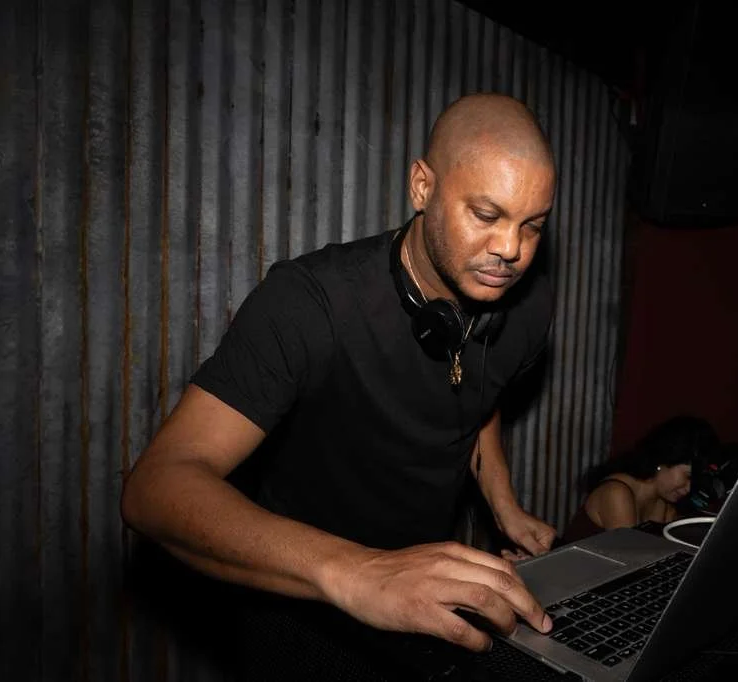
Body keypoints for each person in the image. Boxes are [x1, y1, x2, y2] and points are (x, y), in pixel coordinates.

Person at [120, 93, 560, 679]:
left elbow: (483, 393)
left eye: (532, 226)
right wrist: (359, 571)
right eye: (486, 216)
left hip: (428, 590)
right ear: (422, 187)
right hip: (304, 602)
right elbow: (155, 489)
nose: (510, 249)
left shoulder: (524, 308)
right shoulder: (309, 304)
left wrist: (504, 507)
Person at [561, 415, 721, 544]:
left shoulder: (665, 503)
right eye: (688, 477)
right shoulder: (616, 492)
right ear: (664, 459)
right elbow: (631, 557)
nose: (688, 488)